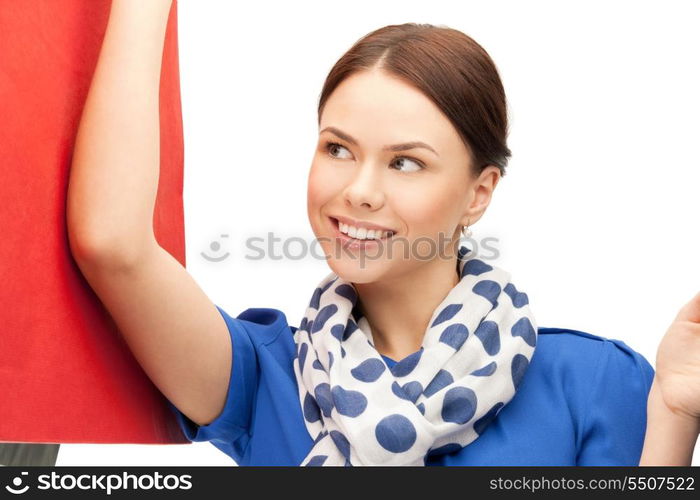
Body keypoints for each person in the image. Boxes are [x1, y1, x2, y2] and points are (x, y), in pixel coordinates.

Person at [66, 0, 700, 466]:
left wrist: (672, 419)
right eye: (338, 149)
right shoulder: (264, 376)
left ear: (478, 194)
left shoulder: (594, 382)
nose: (359, 188)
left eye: (405, 162)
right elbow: (113, 243)